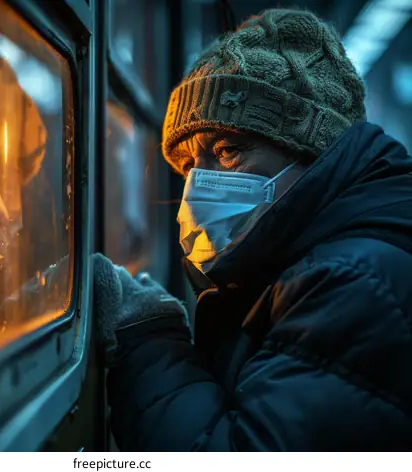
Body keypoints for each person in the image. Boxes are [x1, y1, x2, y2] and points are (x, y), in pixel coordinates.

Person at [92, 8, 412, 451]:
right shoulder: (302, 263)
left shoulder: (353, 281)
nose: (195, 188)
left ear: (313, 151)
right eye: (187, 165)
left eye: (226, 150)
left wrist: (150, 336)